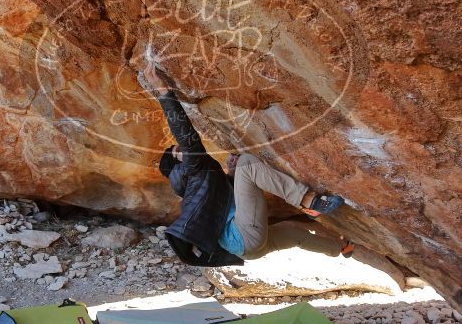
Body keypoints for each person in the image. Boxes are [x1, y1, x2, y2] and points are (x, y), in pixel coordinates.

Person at [142, 62, 352, 266]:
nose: (184, 150)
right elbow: (187, 137)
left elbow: (229, 204)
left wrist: (232, 175)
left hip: (245, 248)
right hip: (243, 236)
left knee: (295, 233)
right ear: (177, 164)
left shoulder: (193, 188)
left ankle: (340, 248)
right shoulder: (192, 171)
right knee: (247, 164)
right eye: (179, 151)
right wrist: (163, 91)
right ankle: (308, 200)